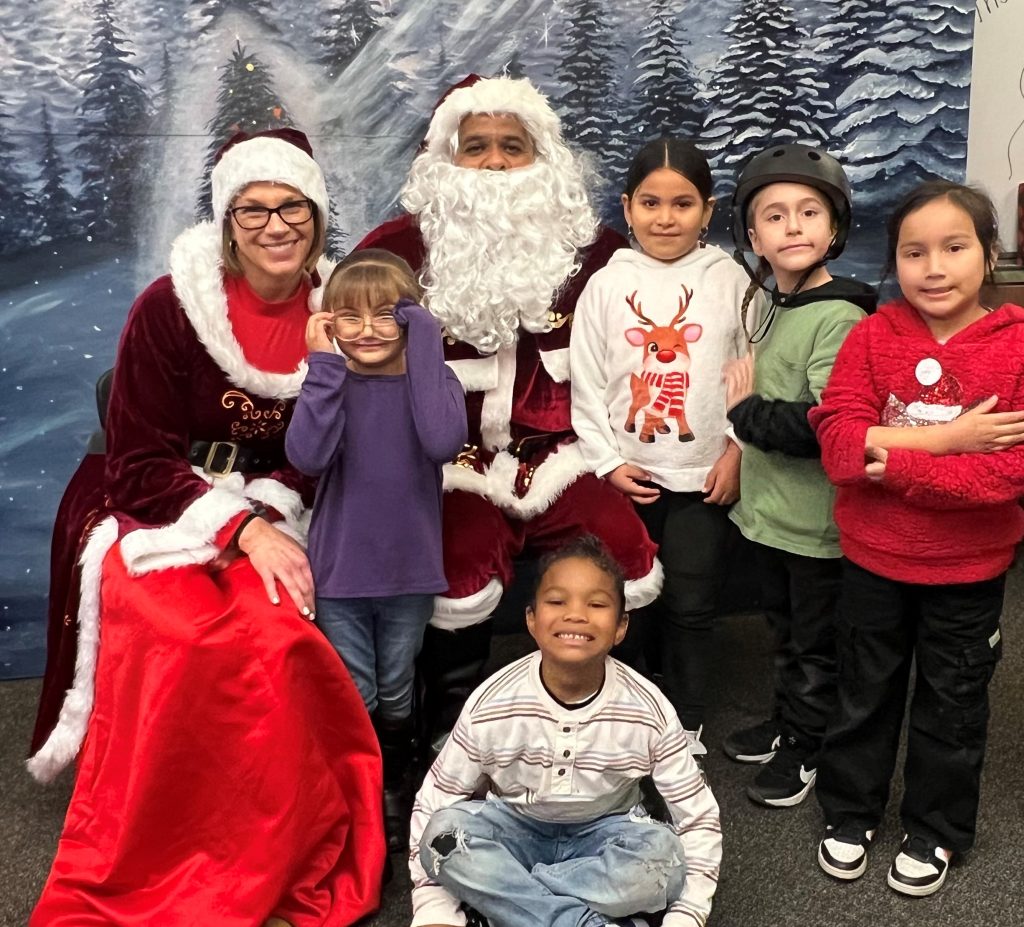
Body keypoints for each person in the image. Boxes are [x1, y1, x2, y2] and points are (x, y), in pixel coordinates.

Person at [28, 129, 385, 926]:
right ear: (228, 222)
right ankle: (170, 840)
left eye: (292, 206)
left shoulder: (342, 307)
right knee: (178, 632)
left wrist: (271, 511)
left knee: (276, 630)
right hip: (151, 501)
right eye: (253, 209)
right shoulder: (169, 306)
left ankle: (270, 844)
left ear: (316, 214)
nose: (275, 225)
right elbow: (137, 459)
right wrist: (241, 530)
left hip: (280, 500)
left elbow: (336, 441)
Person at [357, 76, 662, 751]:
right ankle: (450, 730)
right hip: (449, 463)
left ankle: (613, 720)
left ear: (541, 157)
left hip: (562, 456)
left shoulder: (598, 253)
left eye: (512, 146)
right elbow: (355, 362)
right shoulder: (392, 252)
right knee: (459, 567)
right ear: (447, 158)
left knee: (626, 550)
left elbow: (652, 347)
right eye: (476, 147)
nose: (494, 162)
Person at [809, 180, 1024, 896]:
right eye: (913, 252)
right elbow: (839, 446)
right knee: (862, 693)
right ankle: (850, 811)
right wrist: (951, 439)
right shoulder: (872, 336)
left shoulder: (1017, 344)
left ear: (988, 254)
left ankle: (935, 828)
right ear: (894, 260)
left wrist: (894, 460)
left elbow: (1005, 474)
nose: (933, 268)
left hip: (969, 572)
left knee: (952, 705)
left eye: (953, 248)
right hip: (873, 563)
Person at [409, 535, 721, 927]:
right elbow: (434, 801)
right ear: (531, 619)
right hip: (514, 828)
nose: (576, 614)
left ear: (621, 626)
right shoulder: (491, 702)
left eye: (597, 604)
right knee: (442, 837)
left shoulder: (650, 709)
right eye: (557, 601)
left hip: (607, 835)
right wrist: (434, 910)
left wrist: (687, 918)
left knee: (665, 860)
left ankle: (507, 902)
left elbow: (698, 819)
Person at [570, 138, 759, 757]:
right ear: (627, 207)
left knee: (692, 602)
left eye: (683, 204)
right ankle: (630, 713)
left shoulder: (730, 280)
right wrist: (608, 462)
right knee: (629, 597)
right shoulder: (607, 284)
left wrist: (737, 449)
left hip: (704, 474)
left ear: (708, 211)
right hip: (630, 474)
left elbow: (754, 368)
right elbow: (587, 382)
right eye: (651, 203)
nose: (666, 218)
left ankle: (685, 719)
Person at [285, 249, 467, 852]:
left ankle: (396, 777)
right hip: (341, 574)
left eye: (387, 315)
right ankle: (364, 783)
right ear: (329, 321)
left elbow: (441, 441)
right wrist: (323, 367)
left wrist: (426, 343)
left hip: (409, 572)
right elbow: (307, 457)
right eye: (351, 316)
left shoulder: (432, 384)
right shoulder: (331, 385)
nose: (367, 330)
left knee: (396, 681)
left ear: (413, 319)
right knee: (357, 687)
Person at [720, 144, 876, 808]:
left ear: (834, 229)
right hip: (772, 517)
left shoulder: (839, 314)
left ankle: (809, 745)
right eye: (775, 215)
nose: (792, 226)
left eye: (809, 212)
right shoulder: (770, 304)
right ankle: (789, 723)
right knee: (784, 634)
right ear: (753, 237)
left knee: (815, 647)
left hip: (816, 528)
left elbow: (825, 425)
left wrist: (744, 412)